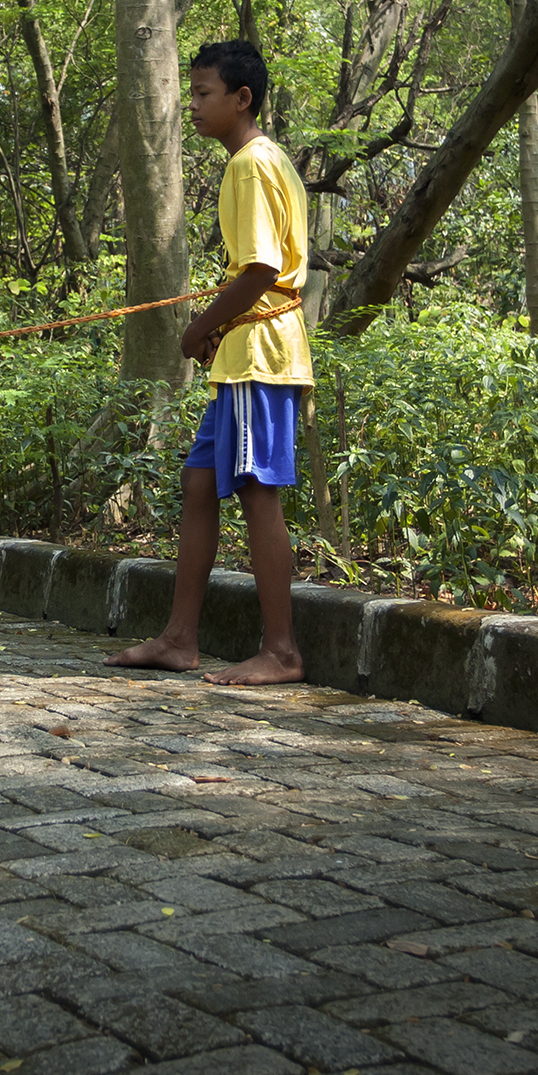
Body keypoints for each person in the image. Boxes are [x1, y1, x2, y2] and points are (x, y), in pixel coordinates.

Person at [109, 41, 312, 685]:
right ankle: (179, 639)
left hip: (260, 353)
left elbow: (260, 268)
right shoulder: (261, 159)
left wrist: (201, 325)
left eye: (202, 94)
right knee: (200, 485)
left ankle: (281, 651)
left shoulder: (250, 164)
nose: (191, 106)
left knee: (256, 491)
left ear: (241, 99)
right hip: (239, 355)